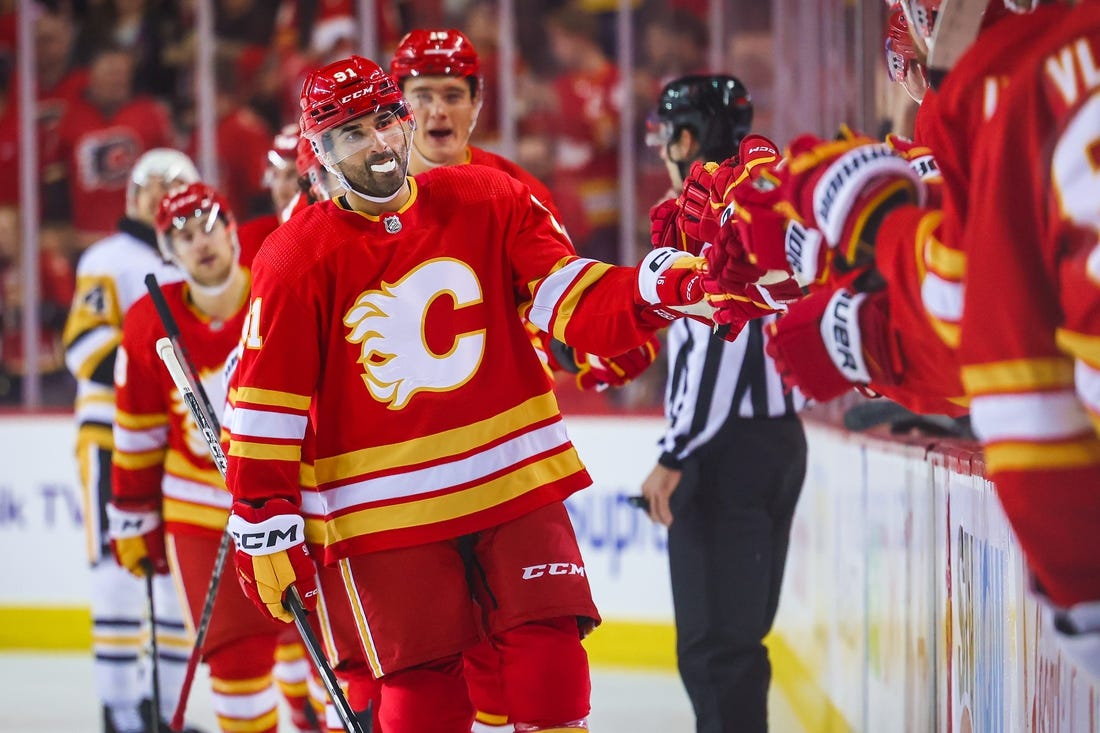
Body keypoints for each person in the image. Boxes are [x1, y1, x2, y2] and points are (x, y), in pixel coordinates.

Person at [223, 54, 712, 733]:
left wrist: (651, 289)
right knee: (423, 700)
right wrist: (262, 514)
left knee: (552, 663)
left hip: (510, 477)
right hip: (384, 512)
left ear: (405, 120)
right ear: (323, 153)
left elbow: (567, 297)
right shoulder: (293, 258)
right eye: (351, 134)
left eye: (385, 121)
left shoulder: (491, 199)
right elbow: (265, 407)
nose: (379, 143)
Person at [389, 28, 659, 731]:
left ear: (478, 102)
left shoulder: (513, 190)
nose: (437, 111)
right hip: (405, 481)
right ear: (397, 108)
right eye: (421, 97)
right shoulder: (361, 196)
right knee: (453, 678)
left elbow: (559, 300)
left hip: (508, 461)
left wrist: (605, 336)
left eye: (453, 94)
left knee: (543, 662)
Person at [107, 182, 318, 733]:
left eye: (206, 228)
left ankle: (310, 715)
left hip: (290, 499)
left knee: (325, 647)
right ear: (167, 253)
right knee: (236, 663)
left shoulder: (278, 288)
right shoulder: (148, 323)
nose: (199, 244)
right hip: (201, 511)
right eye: (182, 237)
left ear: (230, 230)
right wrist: (135, 515)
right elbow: (138, 430)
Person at [640, 74, 807, 733]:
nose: (659, 150)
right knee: (734, 644)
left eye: (663, 136)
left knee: (716, 650)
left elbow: (723, 335)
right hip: (772, 439)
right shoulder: (761, 193)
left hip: (725, 449)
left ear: (686, 136)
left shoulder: (710, 204)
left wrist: (678, 449)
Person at [62, 147, 202, 733]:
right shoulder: (109, 257)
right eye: (153, 184)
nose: (163, 193)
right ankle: (120, 710)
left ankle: (162, 713)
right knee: (119, 577)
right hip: (112, 437)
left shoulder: (194, 259)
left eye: (177, 183)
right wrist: (154, 368)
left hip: (173, 444)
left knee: (170, 585)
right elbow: (84, 350)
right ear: (133, 196)